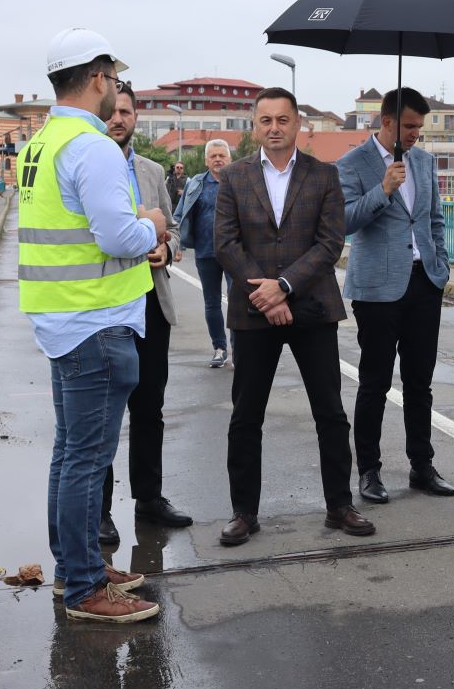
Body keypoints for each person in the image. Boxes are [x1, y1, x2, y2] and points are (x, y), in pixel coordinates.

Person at [18, 27, 165, 622]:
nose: (115, 88)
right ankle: (83, 587)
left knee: (70, 454)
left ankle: (73, 568)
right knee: (86, 458)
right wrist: (153, 223)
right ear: (100, 78)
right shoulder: (93, 146)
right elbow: (118, 236)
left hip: (63, 319)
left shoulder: (40, 143)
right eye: (115, 78)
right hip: (96, 321)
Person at [214, 87, 374, 545]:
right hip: (253, 310)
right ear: (254, 127)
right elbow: (225, 243)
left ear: (297, 124)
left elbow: (330, 242)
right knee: (246, 416)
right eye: (265, 121)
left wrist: (283, 286)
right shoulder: (234, 177)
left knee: (330, 413)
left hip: (312, 308)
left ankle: (339, 506)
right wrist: (265, 293)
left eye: (282, 120)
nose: (274, 128)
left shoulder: (324, 175)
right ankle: (244, 513)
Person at [338, 87, 453, 502]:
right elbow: (343, 221)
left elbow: (434, 218)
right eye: (408, 126)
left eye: (419, 127)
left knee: (420, 382)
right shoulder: (352, 163)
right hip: (377, 289)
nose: (415, 134)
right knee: (375, 382)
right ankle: (369, 471)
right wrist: (383, 189)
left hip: (424, 283)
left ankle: (422, 465)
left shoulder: (423, 161)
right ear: (386, 122)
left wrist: (441, 265)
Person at [98, 83, 192, 546]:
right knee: (104, 412)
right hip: (108, 303)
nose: (118, 119)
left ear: (136, 118)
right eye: (112, 112)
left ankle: (149, 499)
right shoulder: (90, 165)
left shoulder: (153, 171)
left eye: (126, 112)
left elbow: (173, 228)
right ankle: (99, 511)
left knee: (149, 406)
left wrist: (166, 248)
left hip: (151, 300)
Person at [175, 139, 232, 368]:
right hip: (206, 252)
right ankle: (220, 348)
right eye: (213, 156)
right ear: (206, 160)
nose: (218, 159)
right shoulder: (195, 184)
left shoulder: (239, 180)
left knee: (238, 301)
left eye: (222, 155)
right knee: (212, 303)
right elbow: (178, 215)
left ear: (229, 159)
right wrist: (177, 245)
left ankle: (240, 349)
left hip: (235, 252)